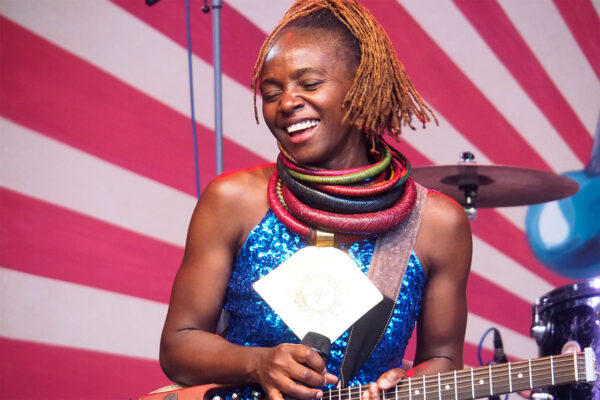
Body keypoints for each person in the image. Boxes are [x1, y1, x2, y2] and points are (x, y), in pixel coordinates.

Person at [159, 1, 472, 400]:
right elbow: (178, 345)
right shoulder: (233, 200)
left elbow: (444, 358)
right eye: (272, 92)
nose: (286, 103)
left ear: (362, 86)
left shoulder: (436, 224)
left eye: (308, 84)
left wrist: (408, 384)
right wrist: (257, 363)